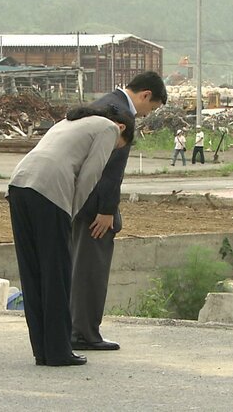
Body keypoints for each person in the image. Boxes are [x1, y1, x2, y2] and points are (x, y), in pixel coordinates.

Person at [7, 105, 135, 366]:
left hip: (19, 184)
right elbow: (90, 175)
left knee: (32, 273)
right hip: (49, 190)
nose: (114, 150)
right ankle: (59, 352)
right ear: (122, 128)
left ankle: (42, 350)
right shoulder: (109, 128)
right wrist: (72, 213)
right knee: (57, 274)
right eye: (118, 147)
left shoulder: (70, 122)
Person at [71, 71, 167, 351]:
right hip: (94, 206)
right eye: (151, 108)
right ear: (145, 95)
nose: (147, 114)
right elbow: (112, 170)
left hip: (75, 198)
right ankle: (85, 333)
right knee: (91, 270)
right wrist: (107, 210)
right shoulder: (122, 115)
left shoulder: (104, 102)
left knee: (76, 266)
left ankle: (74, 328)